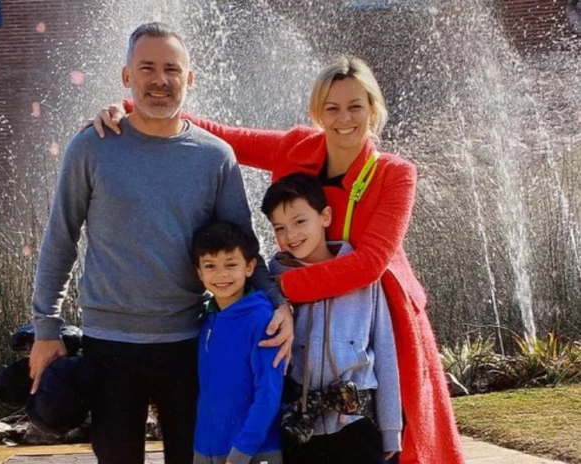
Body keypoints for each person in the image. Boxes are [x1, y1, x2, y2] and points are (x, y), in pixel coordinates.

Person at [93, 55, 464, 464]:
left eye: (355, 106)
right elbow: (225, 137)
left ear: (373, 109)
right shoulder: (297, 147)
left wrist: (275, 289)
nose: (344, 119)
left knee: (395, 444)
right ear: (317, 112)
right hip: (302, 323)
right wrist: (134, 111)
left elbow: (370, 264)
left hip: (373, 314)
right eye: (332, 108)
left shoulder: (395, 173)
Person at [29, 22, 293, 464]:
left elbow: (244, 247)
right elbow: (60, 239)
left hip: (189, 343)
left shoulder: (215, 157)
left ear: (189, 78)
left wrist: (278, 303)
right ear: (126, 76)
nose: (160, 79)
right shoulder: (91, 148)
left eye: (171, 69)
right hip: (109, 344)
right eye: (147, 67)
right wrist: (46, 328)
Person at [262, 173, 402, 464]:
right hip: (299, 429)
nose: (291, 235)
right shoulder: (274, 285)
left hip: (357, 425)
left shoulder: (362, 275)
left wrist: (391, 429)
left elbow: (385, 349)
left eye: (300, 221)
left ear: (325, 216)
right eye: (280, 228)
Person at [192, 221, 284, 464]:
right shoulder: (208, 320)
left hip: (253, 452)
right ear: (199, 273)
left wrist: (242, 451)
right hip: (207, 450)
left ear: (250, 266)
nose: (221, 274)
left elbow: (268, 393)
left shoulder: (262, 321)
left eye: (231, 264)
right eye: (210, 266)